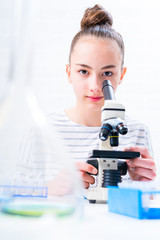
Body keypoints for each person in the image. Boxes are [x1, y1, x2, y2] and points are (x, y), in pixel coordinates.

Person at [46, 4, 156, 192]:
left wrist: (146, 188)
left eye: (107, 73)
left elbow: (149, 210)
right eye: (83, 71)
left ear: (121, 75)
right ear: (68, 72)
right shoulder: (43, 131)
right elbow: (16, 204)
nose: (96, 86)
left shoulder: (138, 133)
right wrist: (49, 192)